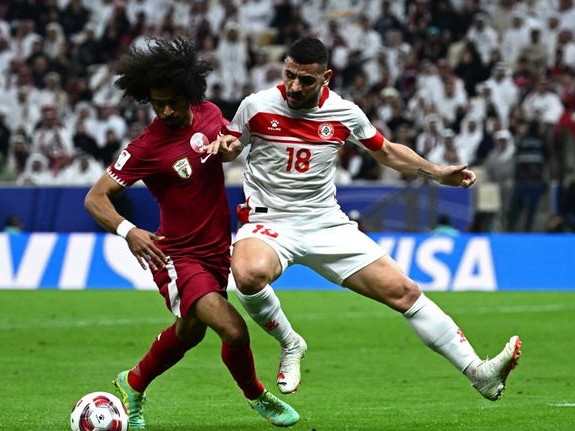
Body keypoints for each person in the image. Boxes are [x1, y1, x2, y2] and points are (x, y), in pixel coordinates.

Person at [207, 37, 521, 402]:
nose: (294, 86)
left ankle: (479, 373)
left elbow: (386, 152)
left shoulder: (344, 113)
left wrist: (436, 172)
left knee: (405, 292)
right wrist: (226, 149)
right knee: (246, 275)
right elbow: (229, 146)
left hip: (326, 223)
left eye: (306, 80)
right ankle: (290, 343)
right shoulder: (256, 105)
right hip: (270, 221)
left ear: (326, 77)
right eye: (289, 75)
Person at [83, 37, 298, 430]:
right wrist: (129, 231)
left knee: (191, 331)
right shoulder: (145, 147)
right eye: (157, 102)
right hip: (177, 256)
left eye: (173, 101)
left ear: (189, 93)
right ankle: (257, 395)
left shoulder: (210, 113)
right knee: (232, 329)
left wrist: (230, 148)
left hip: (217, 250)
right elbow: (95, 198)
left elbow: (231, 145)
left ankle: (132, 384)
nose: (165, 110)